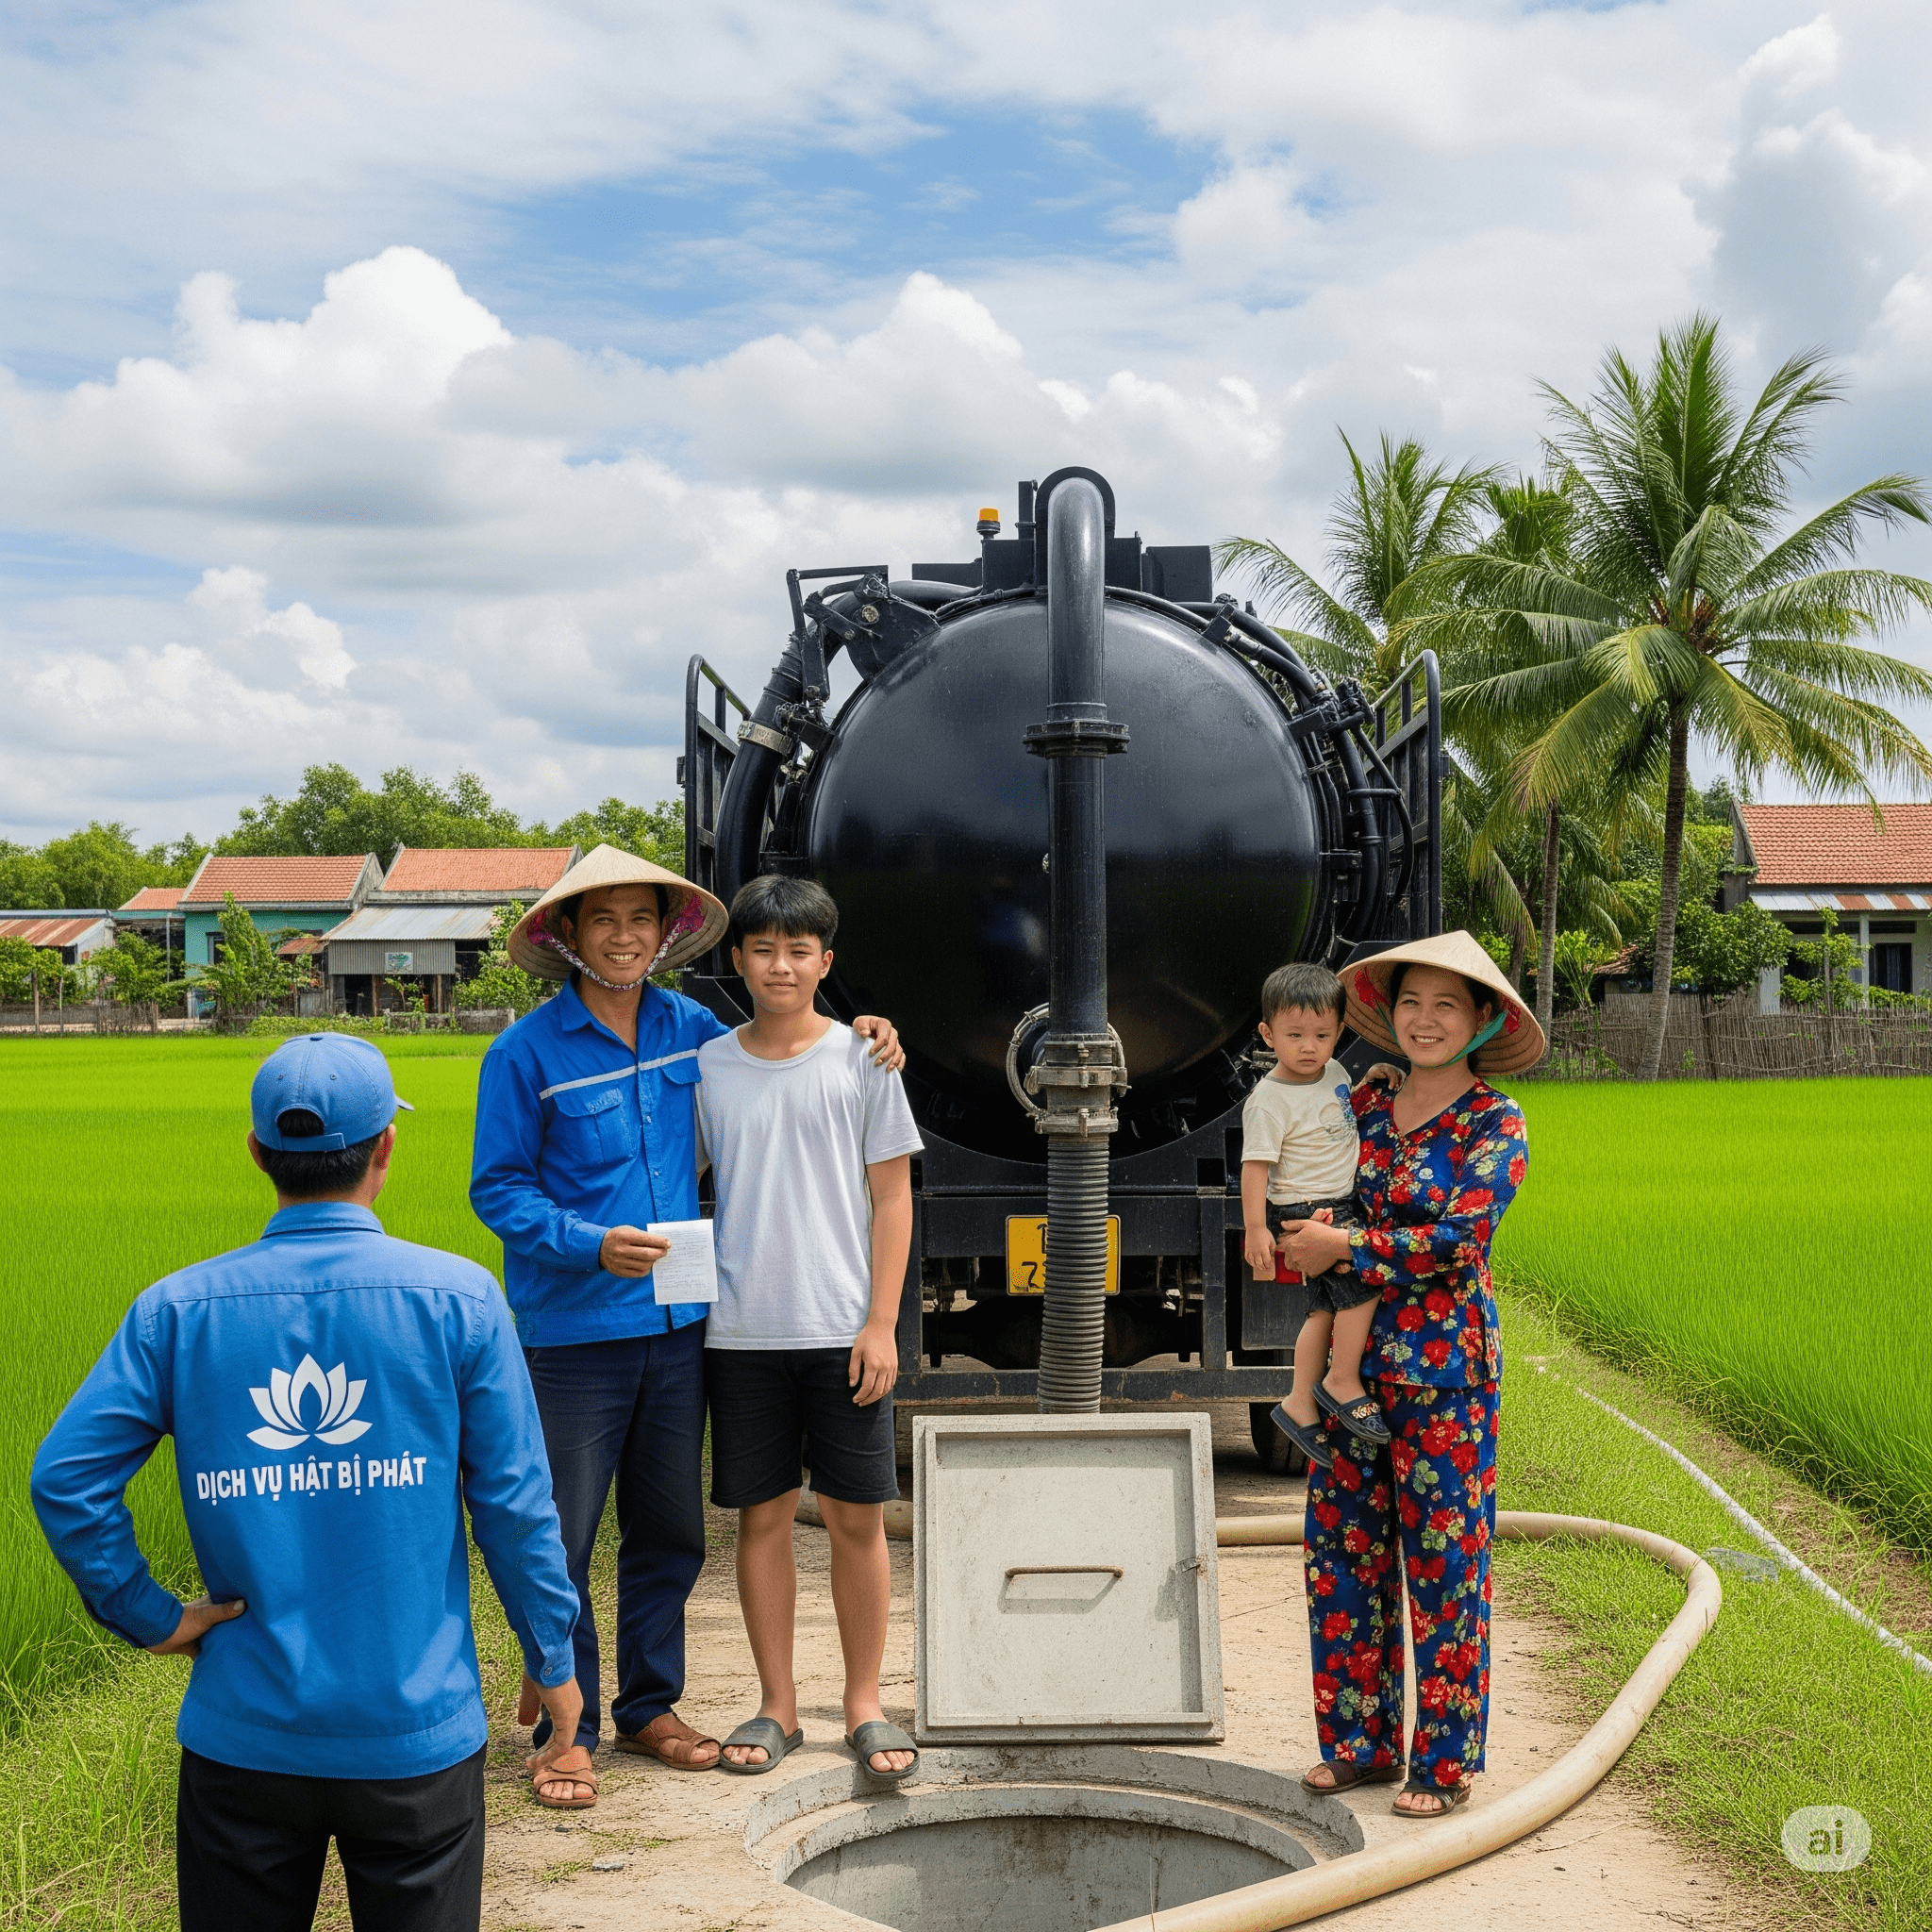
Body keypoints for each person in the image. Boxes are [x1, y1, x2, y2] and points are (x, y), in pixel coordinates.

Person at [30, 1033, 583, 1932]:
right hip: (415, 1741)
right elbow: (515, 1508)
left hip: (244, 1737)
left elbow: (66, 1479)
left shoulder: (177, 1311)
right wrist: (552, 1658)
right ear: (387, 1151)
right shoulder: (460, 1299)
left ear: (257, 1154)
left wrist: (150, 1615)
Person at [470, 844, 904, 1801]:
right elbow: (495, 1188)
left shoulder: (693, 1033)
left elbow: (788, 1041)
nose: (623, 935)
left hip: (678, 1327)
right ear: (567, 936)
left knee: (668, 1530)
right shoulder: (524, 1053)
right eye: (601, 919)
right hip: (572, 1329)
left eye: (640, 919)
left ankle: (648, 1706)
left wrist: (869, 1025)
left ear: (665, 935)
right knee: (562, 1532)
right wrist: (586, 1240)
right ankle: (562, 1713)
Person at [1278, 931, 1539, 1821]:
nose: (1425, 1021)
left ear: (1481, 1022)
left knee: (1444, 1563)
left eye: (1447, 1006)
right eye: (1412, 1004)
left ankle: (1444, 1761)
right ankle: (1359, 1744)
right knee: (1340, 1554)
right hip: (1348, 1372)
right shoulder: (1365, 1106)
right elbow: (1309, 1169)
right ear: (1388, 1014)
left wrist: (1345, 1244)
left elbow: (1459, 1239)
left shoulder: (1495, 1123)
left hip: (1444, 1374)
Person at [696, 875, 924, 1783]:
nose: (780, 965)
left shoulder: (861, 1060)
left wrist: (880, 1322)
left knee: (855, 1521)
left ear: (827, 964)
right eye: (762, 948)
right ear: (737, 960)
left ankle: (863, 1702)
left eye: (799, 950)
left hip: (841, 1330)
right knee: (759, 1521)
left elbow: (893, 1196)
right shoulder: (708, 1067)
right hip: (738, 1332)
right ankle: (778, 1704)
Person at [1237, 961, 1395, 1469]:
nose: (1309, 1046)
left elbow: (1341, 1116)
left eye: (1322, 1035)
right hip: (1307, 1209)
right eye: (1295, 1035)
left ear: (1339, 1033)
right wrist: (1257, 1227)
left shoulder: (1334, 1072)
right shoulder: (1268, 1100)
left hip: (1337, 1203)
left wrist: (1371, 1081)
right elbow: (1254, 1167)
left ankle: (1298, 1401)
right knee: (1363, 1283)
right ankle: (1341, 1380)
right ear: (1268, 1034)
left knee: (1323, 1310)